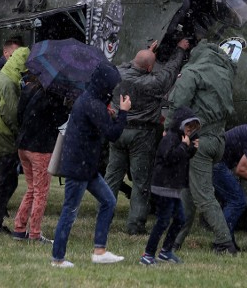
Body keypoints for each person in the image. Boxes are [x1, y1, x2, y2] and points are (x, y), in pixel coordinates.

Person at [105, 38, 189, 235]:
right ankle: (135, 225)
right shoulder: (152, 83)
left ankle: (105, 217)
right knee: (141, 182)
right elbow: (170, 71)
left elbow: (131, 64)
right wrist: (180, 50)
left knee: (112, 177)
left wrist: (147, 52)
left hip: (118, 130)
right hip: (142, 134)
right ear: (150, 67)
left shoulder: (117, 74)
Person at [51, 62, 131, 268]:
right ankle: (57, 258)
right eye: (111, 87)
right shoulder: (93, 105)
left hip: (86, 166)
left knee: (109, 202)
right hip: (80, 167)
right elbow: (113, 134)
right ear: (104, 84)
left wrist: (109, 113)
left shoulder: (90, 100)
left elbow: (99, 123)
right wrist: (123, 112)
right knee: (69, 211)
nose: (113, 91)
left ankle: (99, 250)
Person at [167, 39, 238, 254]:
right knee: (188, 192)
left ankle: (225, 242)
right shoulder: (225, 73)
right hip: (217, 140)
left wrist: (169, 130)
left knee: (203, 196)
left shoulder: (193, 71)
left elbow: (178, 103)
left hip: (200, 142)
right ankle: (176, 239)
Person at [12, 73, 69, 243]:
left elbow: (19, 114)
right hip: (41, 149)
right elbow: (62, 123)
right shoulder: (55, 97)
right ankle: (35, 233)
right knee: (41, 192)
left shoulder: (29, 89)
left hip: (23, 145)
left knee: (32, 188)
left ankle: (19, 228)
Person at [139, 106, 200, 266]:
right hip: (163, 187)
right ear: (181, 124)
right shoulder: (171, 138)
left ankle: (165, 251)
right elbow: (169, 157)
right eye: (188, 126)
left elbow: (182, 158)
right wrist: (184, 146)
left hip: (173, 188)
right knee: (163, 221)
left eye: (193, 128)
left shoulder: (180, 139)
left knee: (180, 218)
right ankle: (148, 254)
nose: (190, 130)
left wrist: (191, 149)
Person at [0, 46, 30, 234]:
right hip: (4, 137)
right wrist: (20, 133)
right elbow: (10, 113)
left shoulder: (2, 77)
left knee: (5, 178)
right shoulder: (8, 83)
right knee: (5, 180)